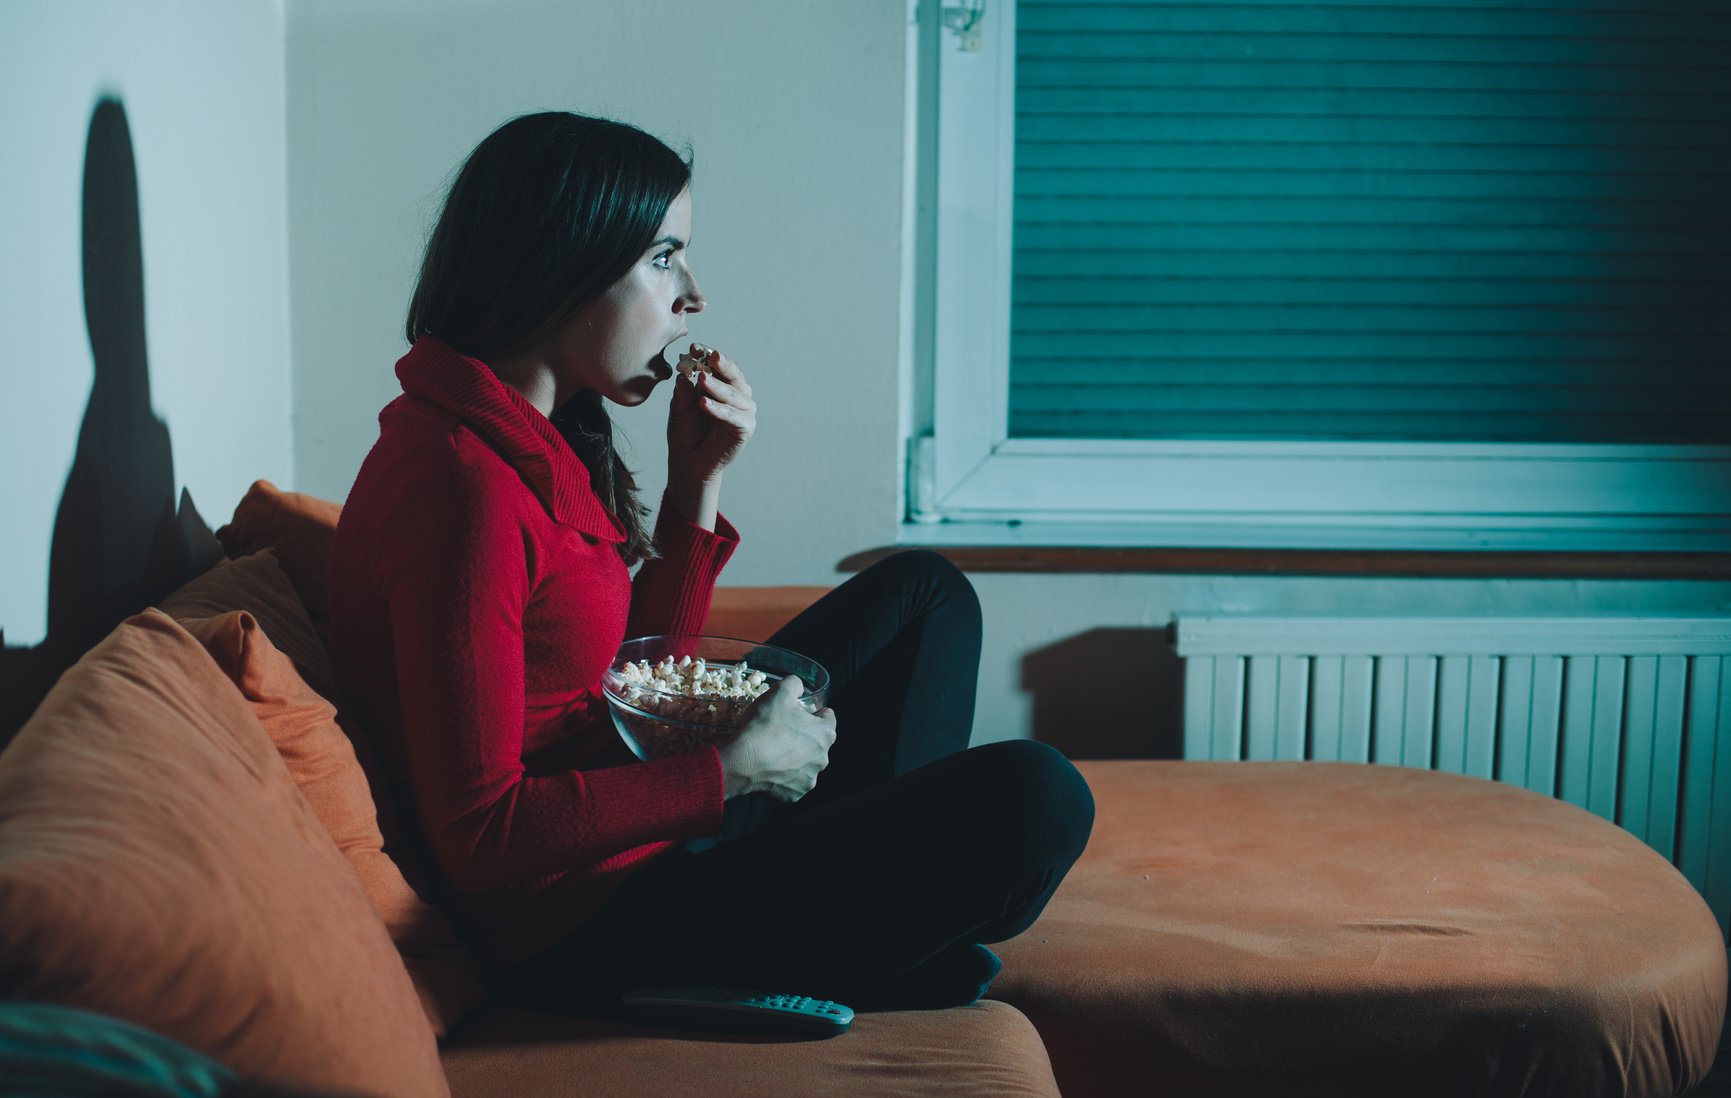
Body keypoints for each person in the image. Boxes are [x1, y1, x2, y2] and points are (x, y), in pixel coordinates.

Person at [326, 110, 1094, 1015]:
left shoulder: (528, 435)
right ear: (560, 262)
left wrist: (698, 478)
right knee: (1035, 796)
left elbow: (624, 678)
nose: (691, 294)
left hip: (635, 812)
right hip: (579, 922)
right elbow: (481, 836)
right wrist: (733, 771)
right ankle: (862, 937)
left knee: (923, 595)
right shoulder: (463, 488)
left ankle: (866, 922)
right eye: (663, 257)